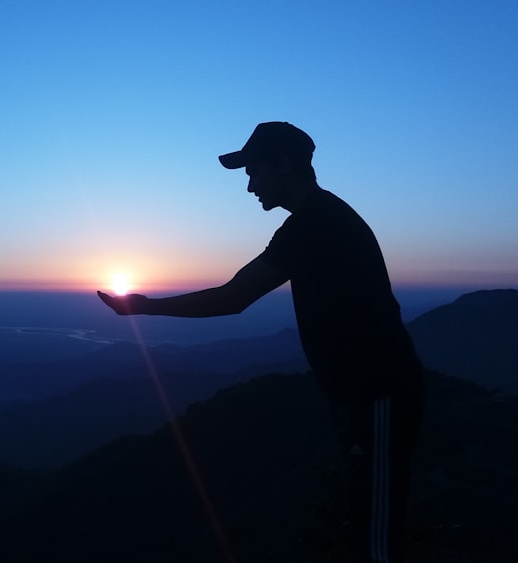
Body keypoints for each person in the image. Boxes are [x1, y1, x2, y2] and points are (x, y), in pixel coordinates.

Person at [97, 122, 424, 563]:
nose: (249, 185)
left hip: (379, 392)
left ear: (283, 164)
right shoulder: (316, 221)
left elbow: (232, 298)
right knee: (365, 520)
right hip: (363, 393)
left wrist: (143, 308)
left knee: (377, 539)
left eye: (253, 171)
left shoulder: (315, 224)